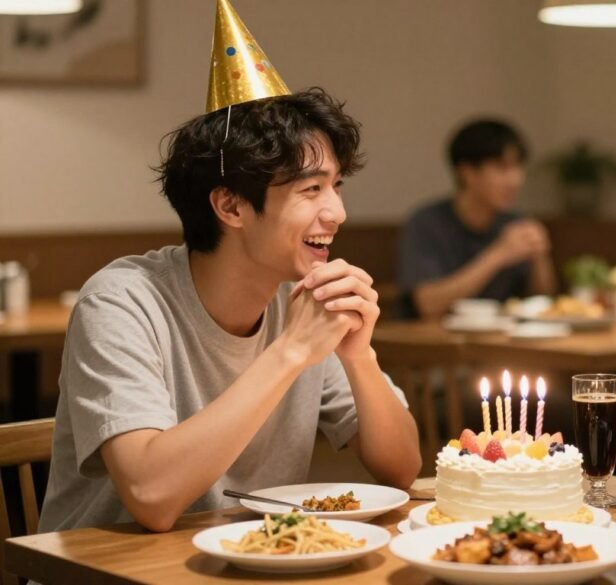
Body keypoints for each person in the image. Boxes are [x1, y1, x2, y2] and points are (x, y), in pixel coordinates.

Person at [38, 0, 420, 534]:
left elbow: (401, 470)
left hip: (251, 558)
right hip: (105, 568)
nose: (337, 212)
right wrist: (290, 352)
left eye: (336, 186)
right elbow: (151, 496)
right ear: (231, 206)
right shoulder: (122, 302)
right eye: (311, 189)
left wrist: (360, 358)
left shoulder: (300, 300)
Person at [397, 119, 557, 319]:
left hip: (501, 335)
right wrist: (499, 254)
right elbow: (428, 305)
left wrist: (540, 258)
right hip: (432, 337)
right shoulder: (426, 223)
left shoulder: (515, 222)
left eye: (518, 167)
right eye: (502, 168)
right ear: (467, 172)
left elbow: (543, 301)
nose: (515, 180)